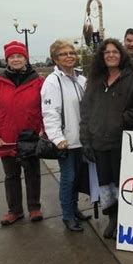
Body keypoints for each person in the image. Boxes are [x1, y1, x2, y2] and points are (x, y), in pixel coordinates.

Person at [80, 38, 133, 239]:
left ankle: (127, 220)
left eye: (115, 51)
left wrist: (122, 118)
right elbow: (85, 112)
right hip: (99, 143)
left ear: (121, 55)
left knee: (125, 183)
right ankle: (113, 218)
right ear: (102, 57)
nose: (111, 55)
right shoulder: (95, 82)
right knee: (106, 184)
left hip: (123, 143)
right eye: (107, 52)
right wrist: (86, 140)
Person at [0, 41, 44, 225]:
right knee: (11, 176)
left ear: (25, 58)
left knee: (33, 174)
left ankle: (34, 208)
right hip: (5, 139)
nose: (16, 59)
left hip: (31, 138)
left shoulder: (39, 81)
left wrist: (44, 131)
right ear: (7, 60)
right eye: (12, 57)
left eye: (19, 56)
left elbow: (47, 108)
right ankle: (15, 210)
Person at [41, 40, 91, 232]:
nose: (69, 56)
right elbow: (50, 112)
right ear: (55, 59)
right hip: (66, 141)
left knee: (78, 177)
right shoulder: (52, 82)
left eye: (71, 52)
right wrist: (57, 138)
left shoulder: (80, 79)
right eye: (64, 54)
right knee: (68, 178)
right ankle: (67, 215)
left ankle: (74, 208)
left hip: (82, 140)